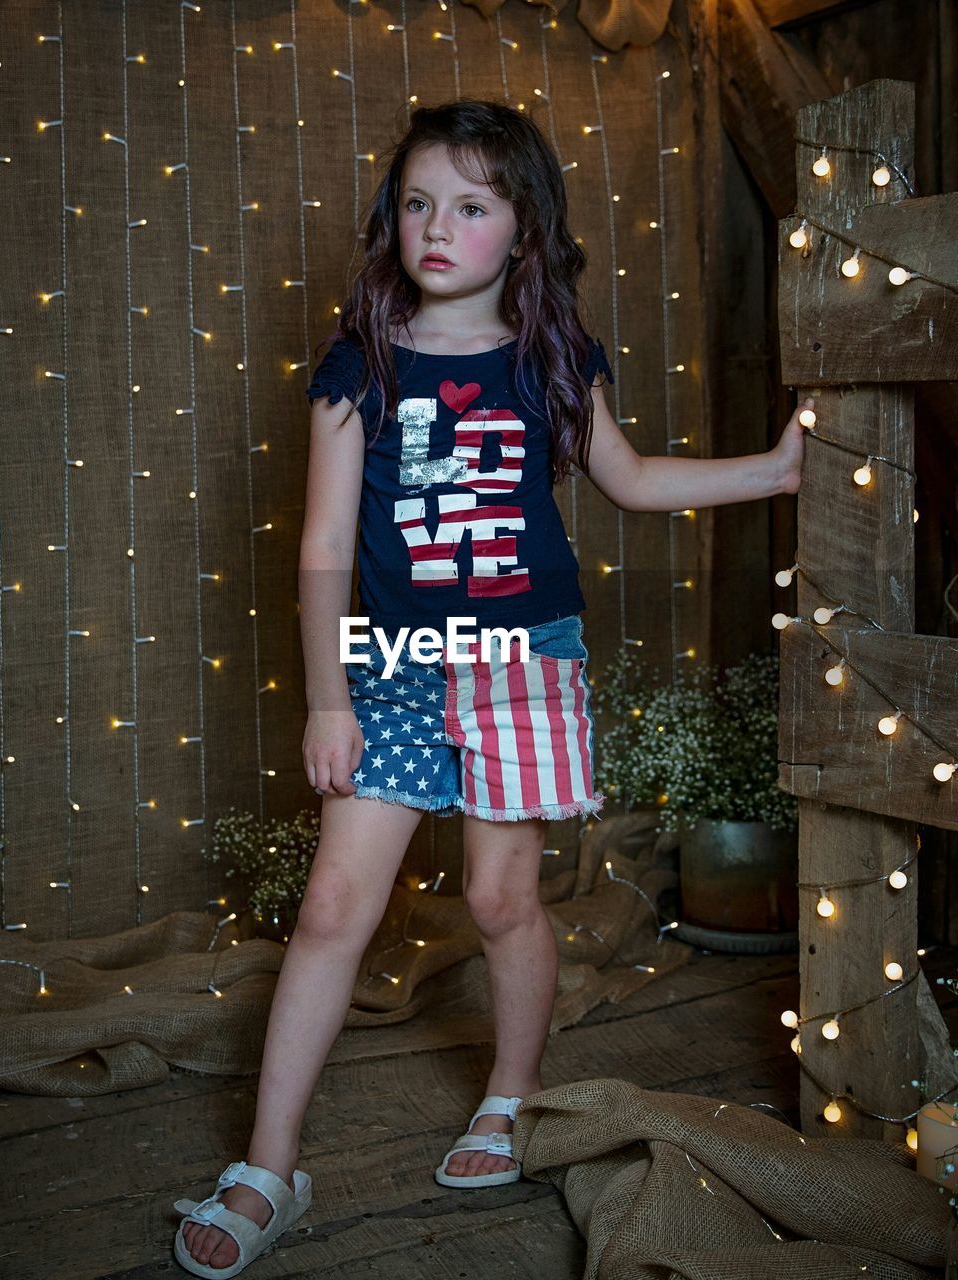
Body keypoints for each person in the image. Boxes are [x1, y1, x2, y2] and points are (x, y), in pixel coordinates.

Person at [174, 98, 808, 1277]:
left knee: (504, 899)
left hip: (524, 662)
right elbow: (320, 541)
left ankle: (509, 1097)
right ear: (391, 216)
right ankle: (270, 1163)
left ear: (520, 230)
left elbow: (625, 477)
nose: (436, 225)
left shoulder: (550, 353)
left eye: (469, 205)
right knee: (329, 911)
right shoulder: (359, 360)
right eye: (418, 201)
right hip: (398, 671)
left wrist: (773, 469)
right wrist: (329, 696)